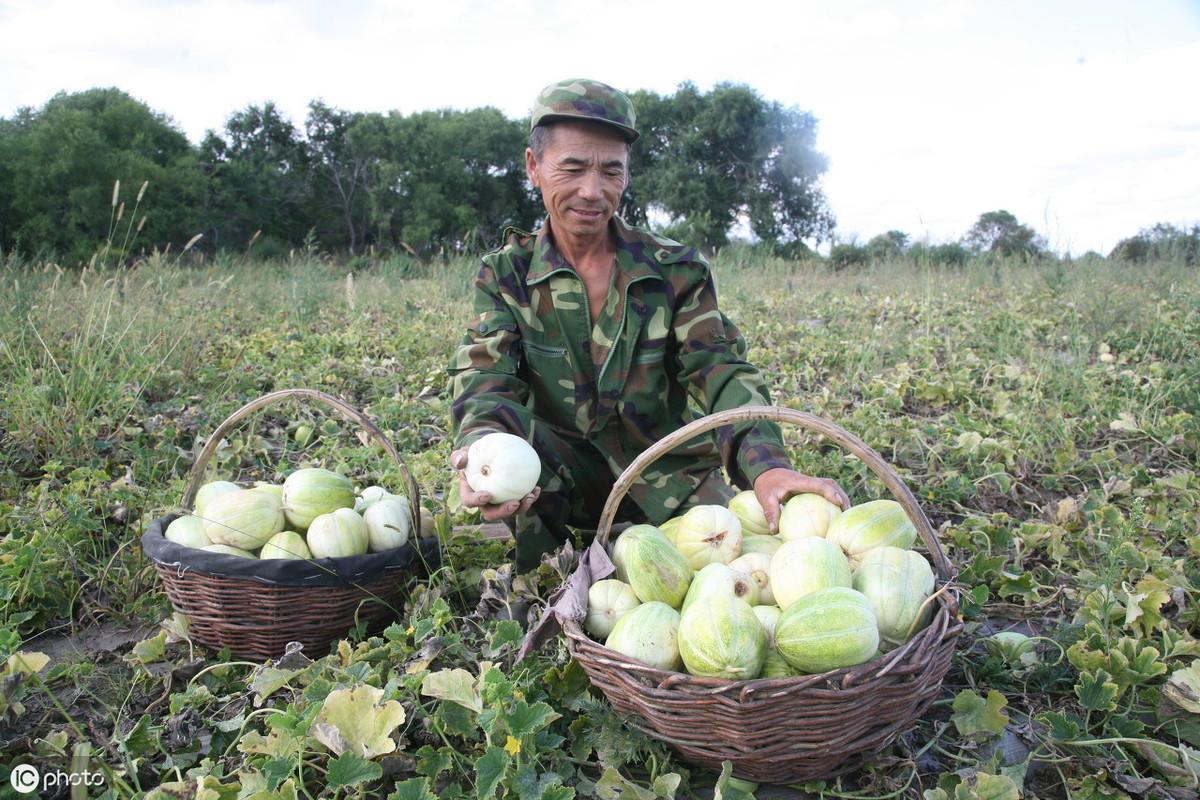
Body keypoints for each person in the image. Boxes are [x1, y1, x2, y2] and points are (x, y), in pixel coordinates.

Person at [448, 78, 848, 571]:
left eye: (610, 171)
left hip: (669, 477)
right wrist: (481, 447)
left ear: (627, 175)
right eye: (572, 168)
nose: (592, 191)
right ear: (534, 167)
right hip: (556, 484)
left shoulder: (675, 270)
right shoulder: (506, 273)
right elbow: (488, 380)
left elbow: (719, 370)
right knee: (517, 450)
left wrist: (768, 467)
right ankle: (547, 571)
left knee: (733, 555)